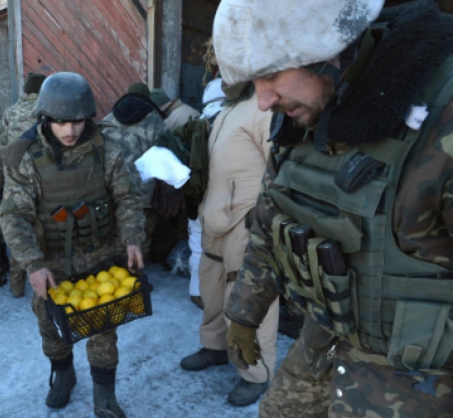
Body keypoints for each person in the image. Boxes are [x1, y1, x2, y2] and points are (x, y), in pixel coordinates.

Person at [215, 0, 453, 416]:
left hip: (419, 380)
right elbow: (271, 221)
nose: (263, 101)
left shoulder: (441, 116)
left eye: (271, 75)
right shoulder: (308, 116)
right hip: (324, 341)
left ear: (328, 50)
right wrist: (243, 312)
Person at [0, 72, 145, 418]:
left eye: (77, 121)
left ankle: (104, 395)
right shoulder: (26, 157)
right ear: (45, 119)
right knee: (50, 327)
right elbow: (13, 216)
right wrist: (32, 264)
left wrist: (133, 238)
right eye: (61, 122)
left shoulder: (106, 149)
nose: (70, 131)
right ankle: (63, 375)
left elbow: (127, 197)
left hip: (102, 258)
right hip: (52, 263)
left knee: (103, 330)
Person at [180, 80, 278, 406]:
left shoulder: (265, 109)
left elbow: (280, 170)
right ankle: (214, 347)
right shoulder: (225, 110)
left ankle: (255, 373)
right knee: (211, 289)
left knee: (249, 298)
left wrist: (264, 218)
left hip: (246, 223)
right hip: (214, 220)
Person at [0, 72, 46, 298]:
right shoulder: (50, 111)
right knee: (47, 227)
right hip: (45, 176)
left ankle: (16, 286)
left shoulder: (11, 112)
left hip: (15, 177)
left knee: (20, 226)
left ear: (26, 92)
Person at [101, 82, 167, 260]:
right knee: (138, 243)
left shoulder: (107, 120)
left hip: (111, 194)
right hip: (143, 195)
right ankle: (134, 278)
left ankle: (112, 279)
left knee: (111, 241)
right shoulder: (155, 122)